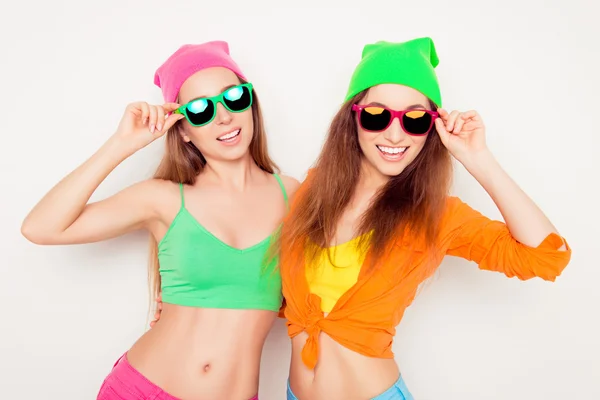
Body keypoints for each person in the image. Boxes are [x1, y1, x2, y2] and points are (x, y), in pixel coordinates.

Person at [278, 37, 572, 399]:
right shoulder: (310, 194)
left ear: (432, 126)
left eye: (415, 119)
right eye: (376, 115)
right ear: (351, 119)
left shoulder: (438, 216)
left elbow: (546, 256)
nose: (395, 133)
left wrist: (478, 158)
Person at [21, 40, 299, 400]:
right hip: (142, 389)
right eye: (200, 110)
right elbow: (41, 227)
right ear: (182, 128)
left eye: (234, 97)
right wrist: (121, 144)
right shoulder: (164, 198)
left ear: (251, 102)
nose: (224, 117)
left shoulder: (292, 195)